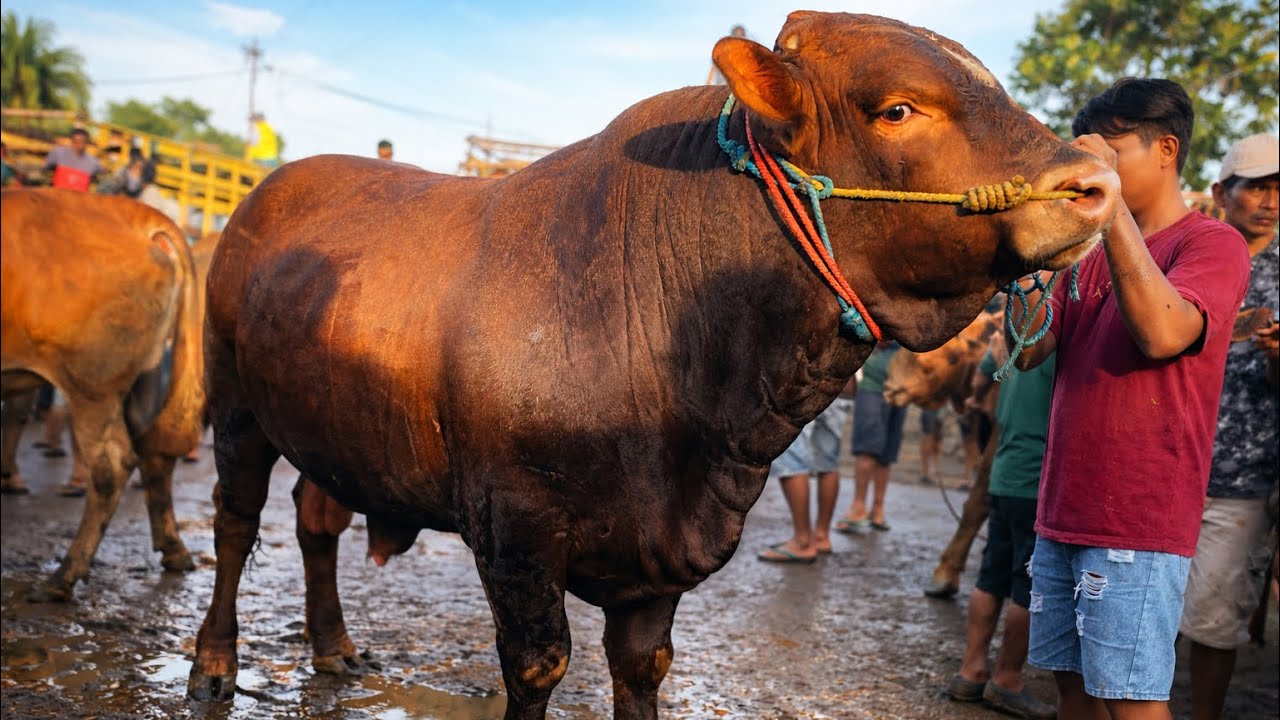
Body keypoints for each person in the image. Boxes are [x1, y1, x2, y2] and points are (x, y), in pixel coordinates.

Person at [1010, 78, 1250, 720]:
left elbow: (1163, 333)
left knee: (1134, 703)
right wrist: (1023, 244)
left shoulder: (1212, 244)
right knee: (1072, 691)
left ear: (1166, 148)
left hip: (1138, 518)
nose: (1096, 167)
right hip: (1063, 506)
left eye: (1112, 152)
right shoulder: (1083, 250)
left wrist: (1107, 206)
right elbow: (1030, 347)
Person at [1179, 133, 1279, 720]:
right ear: (1222, 191)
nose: (1269, 200)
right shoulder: (1187, 253)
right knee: (1146, 610)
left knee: (1215, 618)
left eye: (1278, 189)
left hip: (1242, 476)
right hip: (1165, 463)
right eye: (1257, 186)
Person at [947, 345, 1057, 720]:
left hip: (1003, 473)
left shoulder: (1014, 337)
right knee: (1027, 586)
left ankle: (971, 670)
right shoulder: (1058, 341)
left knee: (990, 576)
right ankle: (1007, 679)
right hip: (1036, 480)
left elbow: (980, 380)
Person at [757, 376, 856, 563]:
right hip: (839, 383)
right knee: (827, 460)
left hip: (804, 382)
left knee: (790, 455)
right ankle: (821, 536)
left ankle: (802, 542)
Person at [836, 341, 907, 533]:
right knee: (867, 449)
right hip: (872, 383)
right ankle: (859, 507)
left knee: (886, 454)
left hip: (902, 384)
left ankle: (878, 509)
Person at [43, 127, 104, 191]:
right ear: (71, 141)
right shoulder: (58, 153)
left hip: (80, 198)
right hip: (58, 195)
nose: (79, 145)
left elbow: (101, 178)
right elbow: (45, 170)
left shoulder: (94, 163)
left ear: (87, 143)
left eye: (82, 142)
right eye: (76, 142)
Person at [918, 408, 943, 484]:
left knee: (937, 441)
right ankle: (926, 473)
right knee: (928, 437)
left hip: (942, 409)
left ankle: (932, 471)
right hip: (930, 407)